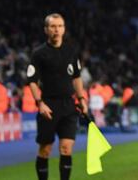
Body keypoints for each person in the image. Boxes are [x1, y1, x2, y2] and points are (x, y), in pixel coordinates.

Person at [26, 13, 88, 180]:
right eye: (53, 26)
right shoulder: (39, 53)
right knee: (45, 150)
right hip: (48, 105)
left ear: (64, 29)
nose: (56, 30)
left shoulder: (71, 51)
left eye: (60, 26)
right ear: (46, 29)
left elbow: (76, 77)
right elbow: (32, 81)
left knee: (66, 148)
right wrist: (40, 103)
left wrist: (81, 99)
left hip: (69, 106)